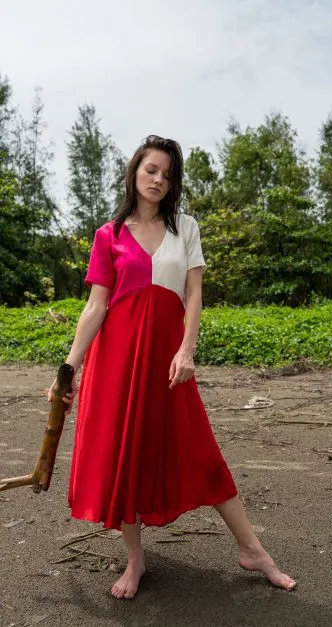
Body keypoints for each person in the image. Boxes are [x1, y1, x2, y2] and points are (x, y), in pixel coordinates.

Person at [48, 135, 296, 600]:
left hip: (168, 363)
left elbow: (194, 294)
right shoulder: (110, 234)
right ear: (135, 172)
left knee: (200, 449)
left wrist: (187, 349)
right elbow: (96, 307)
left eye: (167, 173)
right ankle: (135, 559)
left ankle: (253, 549)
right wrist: (69, 368)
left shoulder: (186, 227)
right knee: (127, 456)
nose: (159, 179)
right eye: (151, 170)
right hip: (116, 362)